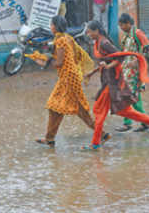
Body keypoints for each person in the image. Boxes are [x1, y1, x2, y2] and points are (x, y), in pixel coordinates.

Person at [82, 20, 149, 150]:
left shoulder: (104, 43)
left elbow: (120, 58)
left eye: (89, 31)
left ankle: (96, 143)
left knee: (99, 111)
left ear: (96, 31)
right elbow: (105, 61)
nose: (88, 34)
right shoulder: (98, 42)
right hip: (107, 80)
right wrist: (92, 73)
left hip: (111, 82)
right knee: (124, 111)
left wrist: (108, 66)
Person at [34, 16, 110, 148]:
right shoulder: (68, 38)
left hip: (68, 78)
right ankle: (50, 138)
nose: (50, 27)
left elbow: (59, 62)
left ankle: (102, 134)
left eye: (51, 25)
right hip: (70, 77)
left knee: (65, 108)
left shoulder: (61, 40)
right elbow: (75, 56)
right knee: (59, 108)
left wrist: (43, 59)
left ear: (56, 26)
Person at [116, 13, 149, 133]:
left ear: (128, 23)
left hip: (134, 72)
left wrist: (138, 61)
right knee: (130, 97)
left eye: (122, 25)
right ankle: (136, 122)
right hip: (127, 71)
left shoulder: (137, 33)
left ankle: (144, 122)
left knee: (131, 97)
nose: (121, 27)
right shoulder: (127, 36)